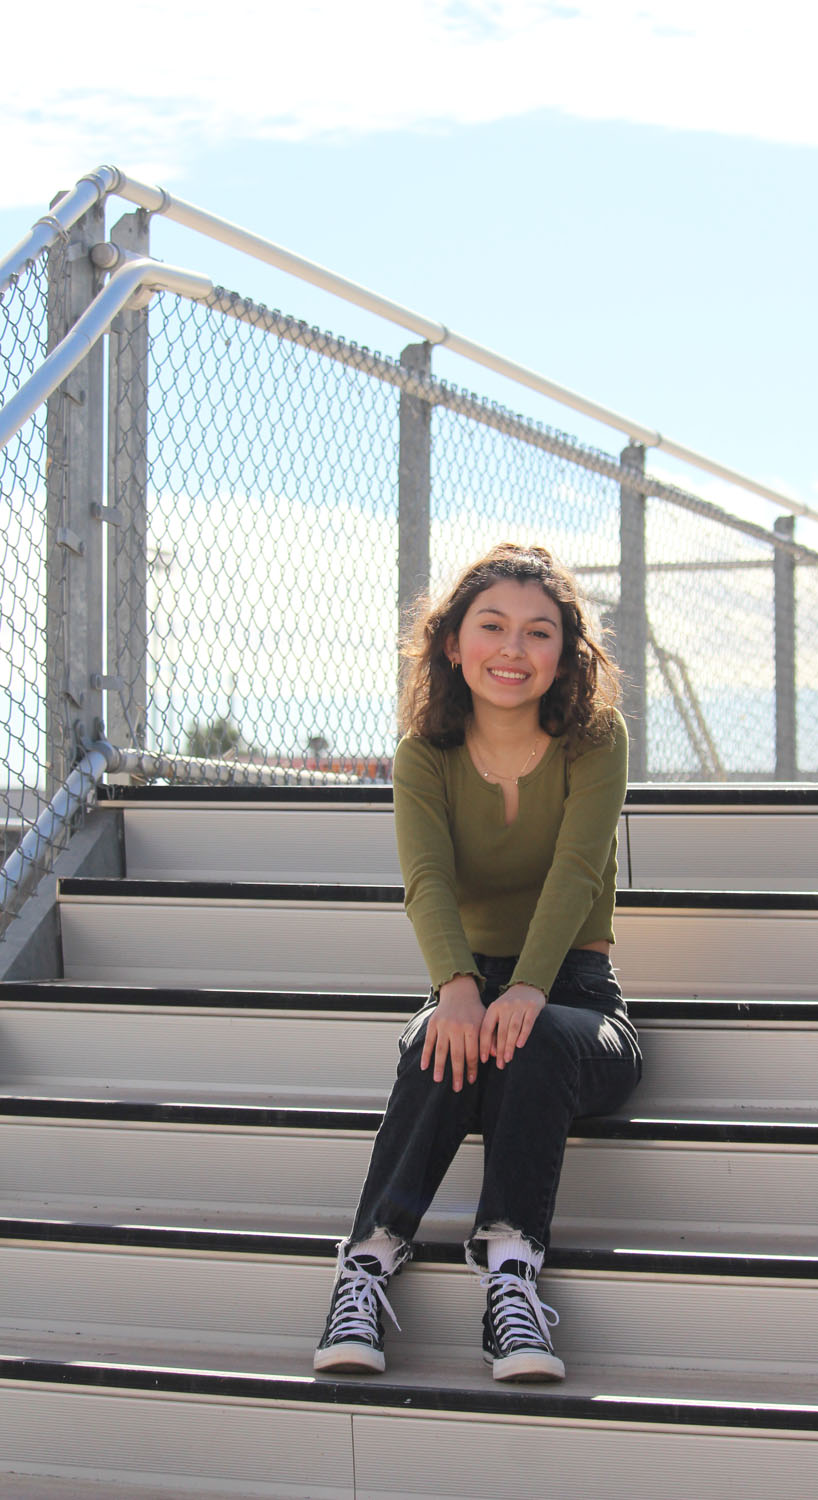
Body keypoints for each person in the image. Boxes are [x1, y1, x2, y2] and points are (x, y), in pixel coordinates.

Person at [313, 542, 642, 1383]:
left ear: (564, 653)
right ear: (452, 644)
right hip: (469, 986)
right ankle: (367, 1267)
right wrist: (457, 989)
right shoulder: (424, 756)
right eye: (490, 626)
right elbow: (425, 879)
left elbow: (577, 873)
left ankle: (510, 1281)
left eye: (538, 633)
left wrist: (527, 988)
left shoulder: (596, 742)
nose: (512, 649)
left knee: (528, 1038)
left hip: (576, 998)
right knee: (438, 1038)